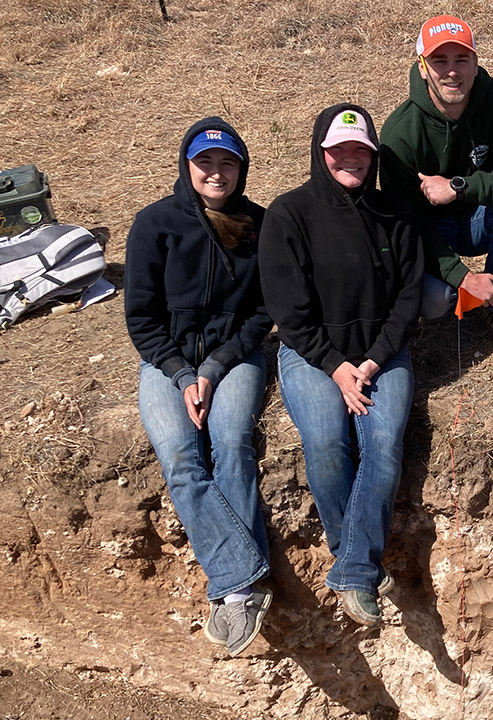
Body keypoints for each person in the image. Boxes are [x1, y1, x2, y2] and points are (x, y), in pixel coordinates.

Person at [259, 104, 424, 627]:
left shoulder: (394, 214)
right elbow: (288, 311)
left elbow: (408, 299)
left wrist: (372, 362)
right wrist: (336, 368)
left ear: (373, 156)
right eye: (339, 151)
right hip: (312, 354)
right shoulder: (289, 215)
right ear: (320, 153)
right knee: (329, 440)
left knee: (381, 441)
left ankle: (352, 570)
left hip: (382, 352)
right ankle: (357, 559)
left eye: (360, 150)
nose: (350, 160)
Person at [124, 118, 274, 656]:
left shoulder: (259, 224)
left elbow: (262, 314)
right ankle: (242, 582)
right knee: (181, 458)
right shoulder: (154, 224)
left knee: (231, 447)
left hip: (235, 359)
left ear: (241, 169)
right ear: (187, 166)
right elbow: (141, 320)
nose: (216, 173)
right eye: (205, 162)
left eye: (227, 163)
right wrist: (184, 375)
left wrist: (212, 369)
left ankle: (233, 590)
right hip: (164, 364)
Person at [381, 14, 493, 357]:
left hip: (480, 216)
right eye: (440, 60)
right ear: (422, 67)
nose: (452, 71)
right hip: (432, 230)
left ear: (475, 62)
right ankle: (465, 293)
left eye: (461, 59)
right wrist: (463, 277)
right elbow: (406, 225)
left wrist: (460, 186)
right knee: (434, 302)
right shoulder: (400, 133)